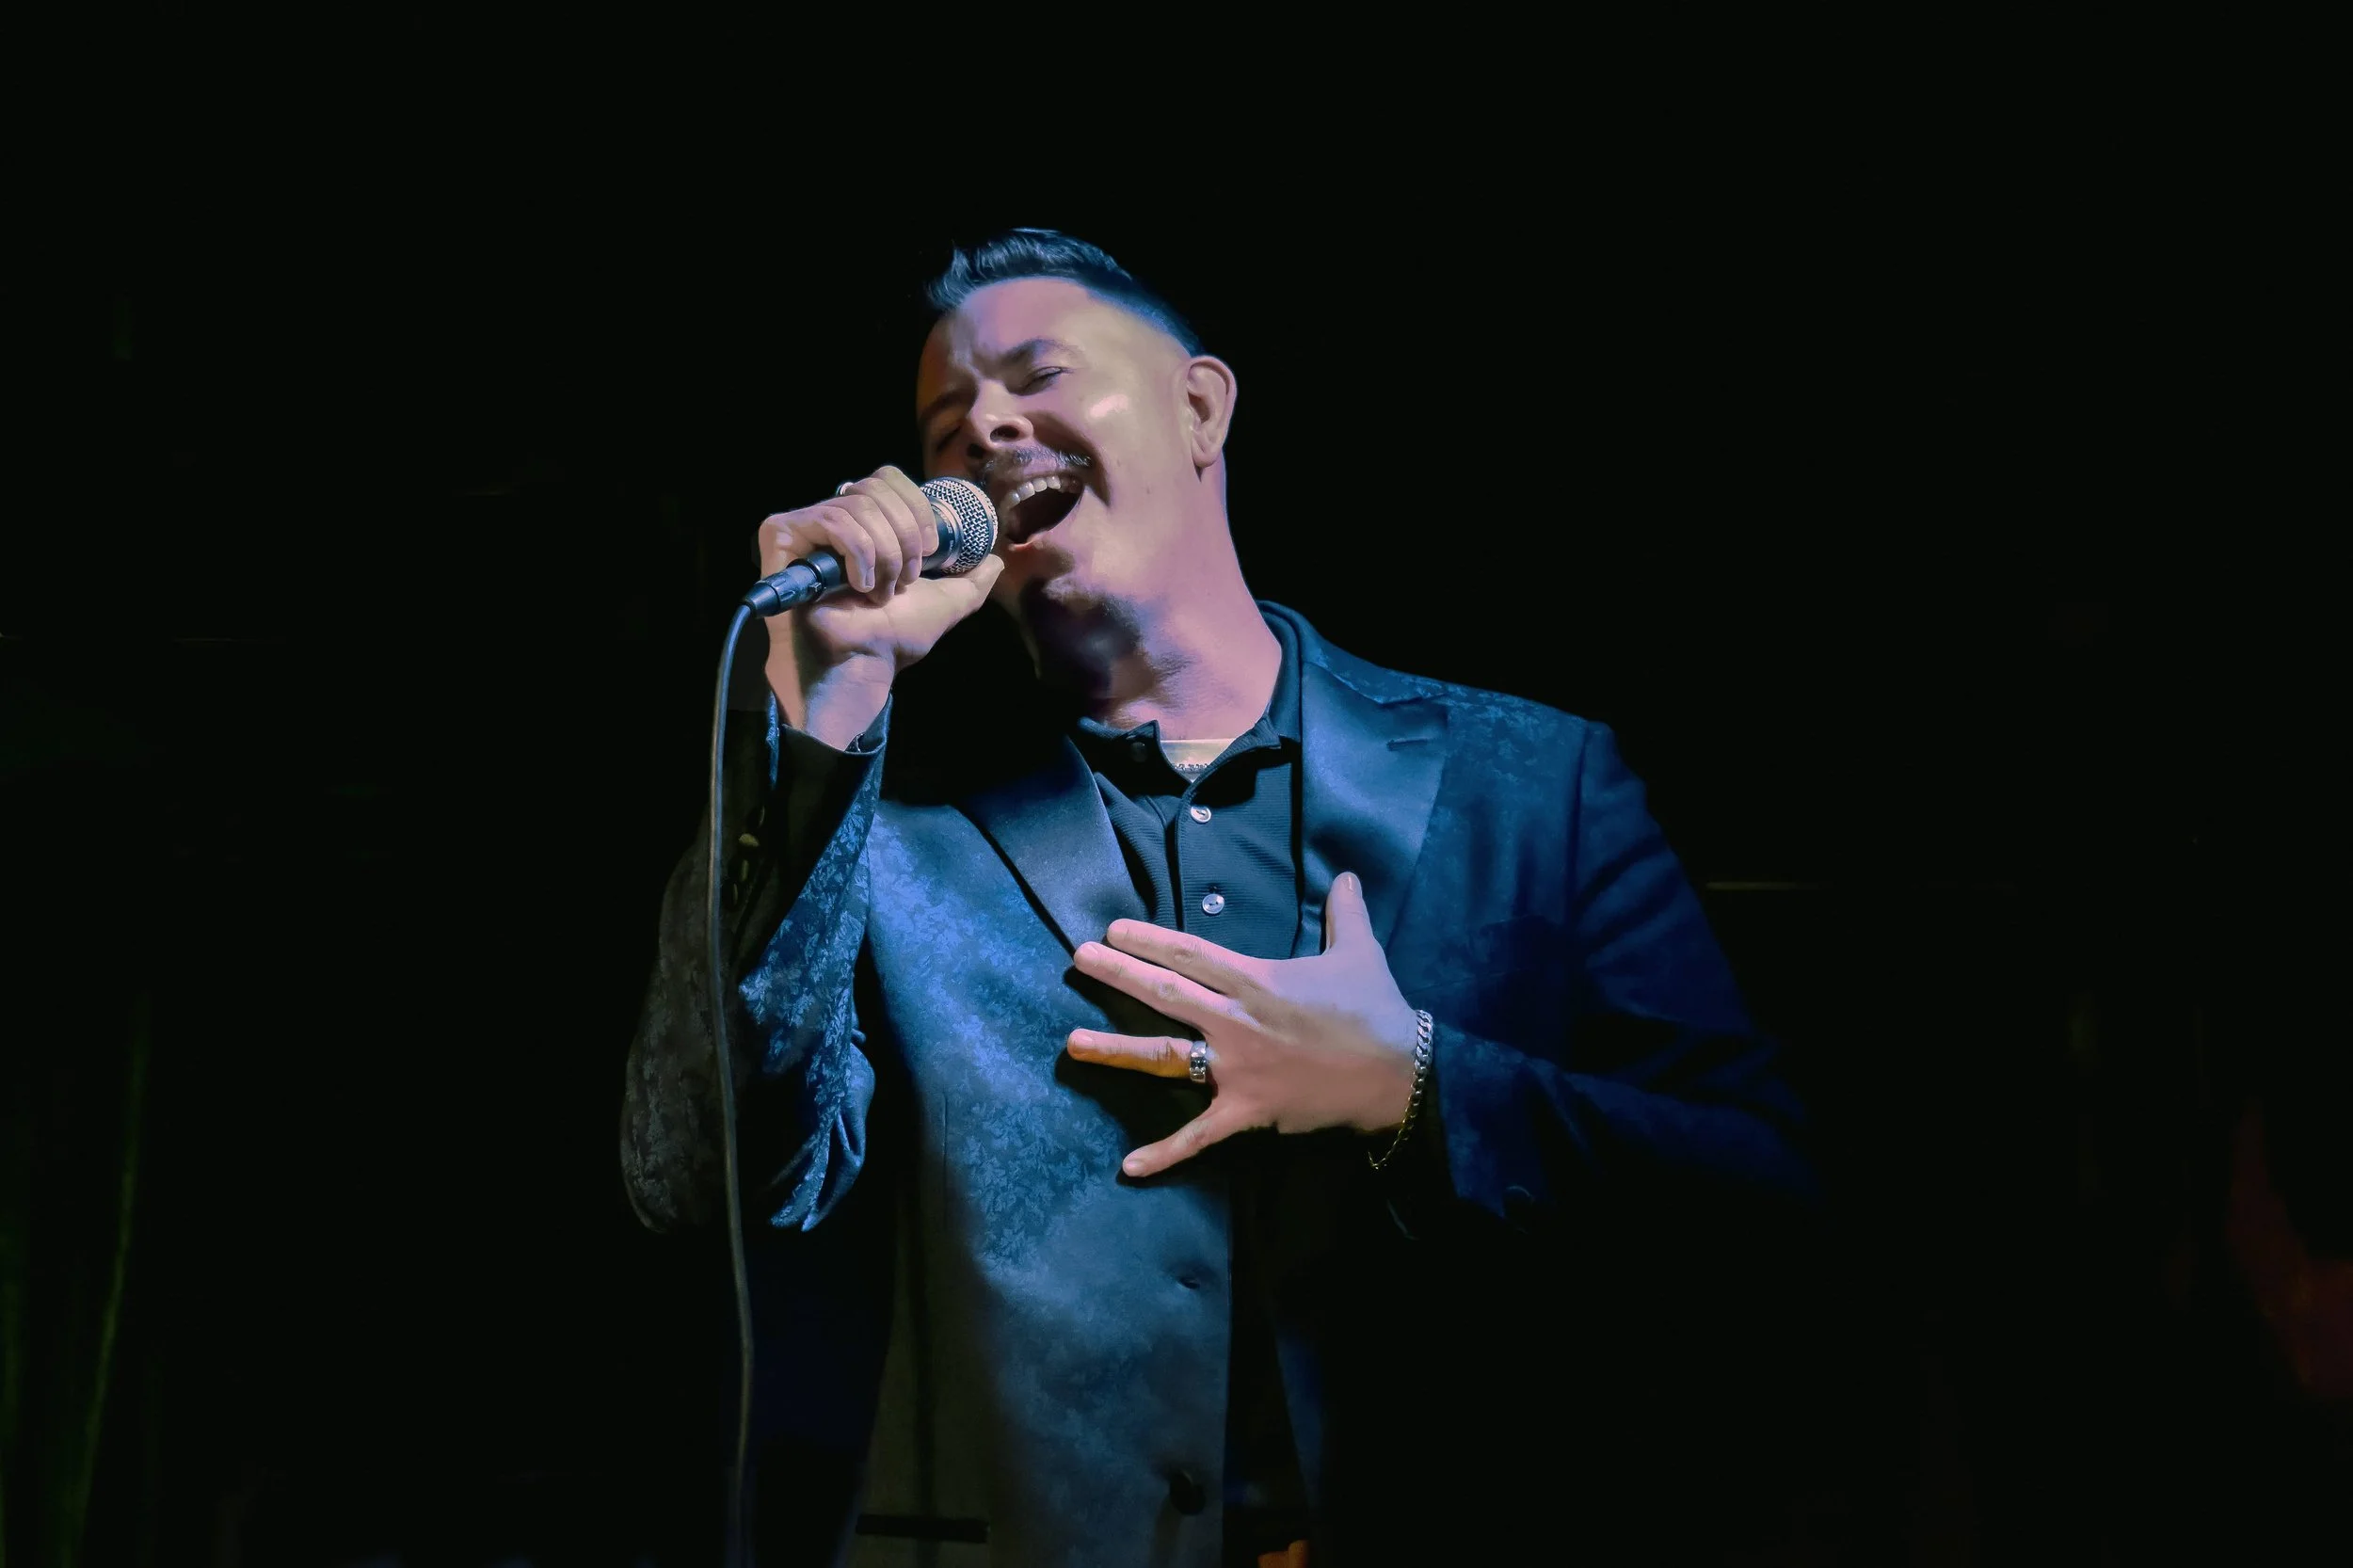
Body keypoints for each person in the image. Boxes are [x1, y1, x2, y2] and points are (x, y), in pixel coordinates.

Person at [621, 230, 1817, 1566]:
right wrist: (825, 707)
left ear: (1200, 409)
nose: (986, 429)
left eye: (1038, 375)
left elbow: (1766, 1201)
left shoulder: (1533, 783)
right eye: (946, 428)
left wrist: (1416, 1089)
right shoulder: (889, 826)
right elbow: (692, 1174)